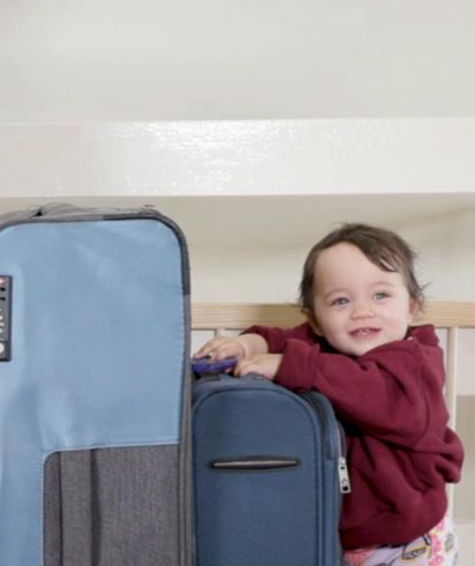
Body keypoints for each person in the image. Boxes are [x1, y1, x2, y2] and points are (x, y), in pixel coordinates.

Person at [194, 223, 464, 566]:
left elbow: (368, 389)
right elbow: (279, 339)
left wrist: (288, 365)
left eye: (381, 295)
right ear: (317, 322)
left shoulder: (415, 360)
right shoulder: (326, 345)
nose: (361, 311)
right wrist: (246, 344)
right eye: (340, 300)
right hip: (350, 534)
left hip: (410, 537)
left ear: (412, 306)